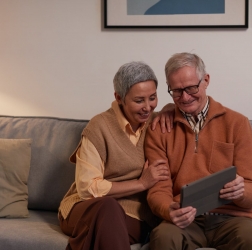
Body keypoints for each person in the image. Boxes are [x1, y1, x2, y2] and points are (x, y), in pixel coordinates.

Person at [145, 52, 252, 250]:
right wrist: (169, 210)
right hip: (185, 220)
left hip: (231, 219)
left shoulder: (237, 123)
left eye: (191, 88)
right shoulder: (160, 128)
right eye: (176, 91)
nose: (185, 97)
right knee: (163, 237)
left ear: (206, 80)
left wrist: (241, 192)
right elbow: (158, 188)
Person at [58, 61, 173, 250]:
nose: (147, 107)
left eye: (152, 98)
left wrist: (170, 108)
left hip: (134, 215)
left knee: (104, 229)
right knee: (108, 207)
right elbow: (87, 188)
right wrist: (141, 184)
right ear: (119, 98)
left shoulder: (158, 123)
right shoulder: (99, 127)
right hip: (86, 209)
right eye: (139, 101)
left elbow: (190, 106)